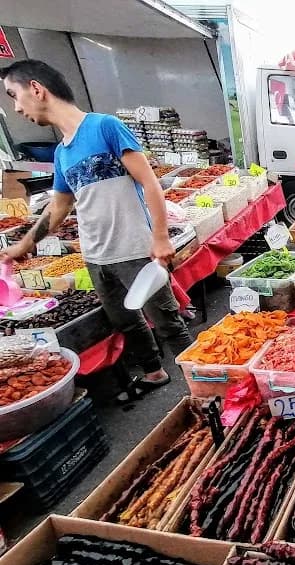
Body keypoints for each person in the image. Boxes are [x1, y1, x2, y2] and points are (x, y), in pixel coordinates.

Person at [0, 60, 192, 392]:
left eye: (13, 95)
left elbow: (149, 182)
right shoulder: (61, 153)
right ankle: (153, 372)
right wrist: (25, 244)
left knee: (166, 320)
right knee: (125, 321)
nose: (16, 108)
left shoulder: (105, 126)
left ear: (36, 88)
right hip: (95, 255)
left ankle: (202, 383)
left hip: (134, 248)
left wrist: (160, 237)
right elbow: (60, 207)